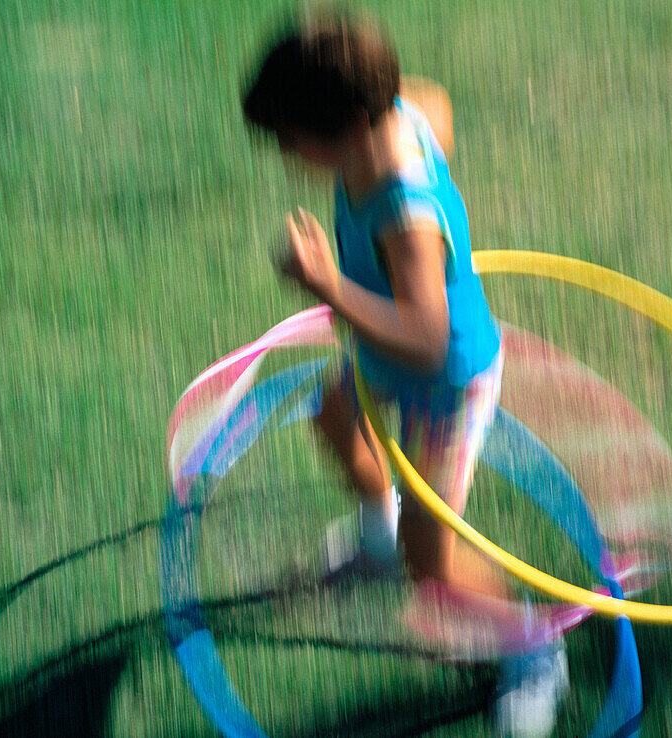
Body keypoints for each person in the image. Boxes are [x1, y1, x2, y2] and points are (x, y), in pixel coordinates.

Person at [242, 10, 566, 736]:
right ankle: (375, 538)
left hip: (444, 385)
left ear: (353, 125)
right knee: (333, 415)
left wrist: (328, 284)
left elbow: (425, 337)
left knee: (435, 570)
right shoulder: (400, 110)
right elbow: (436, 107)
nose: (289, 154)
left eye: (295, 140)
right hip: (382, 355)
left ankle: (533, 647)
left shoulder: (403, 210)